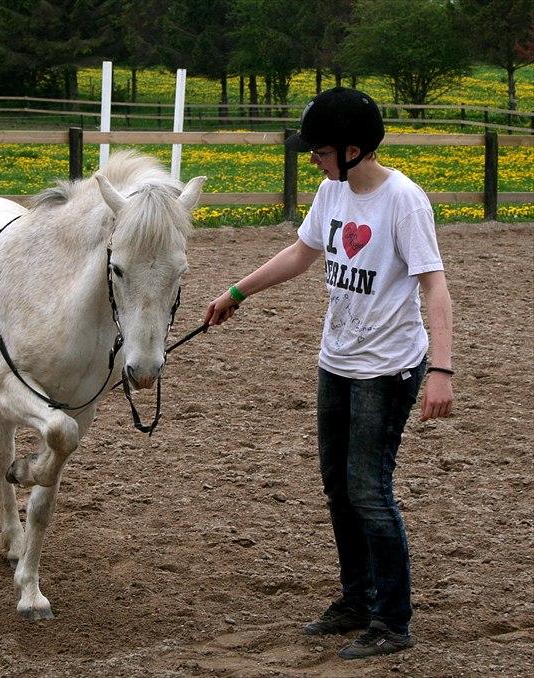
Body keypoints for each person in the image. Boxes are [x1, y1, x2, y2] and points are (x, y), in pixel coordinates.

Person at [205, 87, 453, 660]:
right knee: (340, 488)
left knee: (370, 490)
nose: (312, 158)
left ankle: (392, 619)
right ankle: (357, 599)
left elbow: (434, 285)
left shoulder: (404, 202)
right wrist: (238, 292)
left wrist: (441, 368)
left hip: (388, 368)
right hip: (336, 361)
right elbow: (301, 252)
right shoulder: (330, 191)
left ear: (354, 149)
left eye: (319, 149)